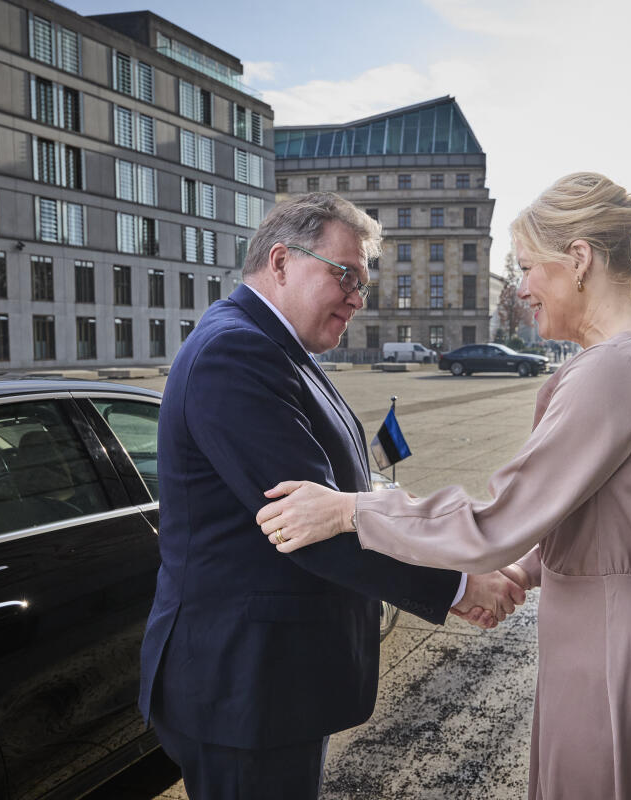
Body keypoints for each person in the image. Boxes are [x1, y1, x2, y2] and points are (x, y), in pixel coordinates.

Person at [256, 174, 631, 800]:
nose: (523, 288)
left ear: (580, 260)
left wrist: (352, 510)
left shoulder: (613, 370)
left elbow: (491, 525)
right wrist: (528, 571)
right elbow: (616, 518)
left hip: (616, 656)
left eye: (529, 267)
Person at [139, 192, 526, 800]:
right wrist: (456, 585)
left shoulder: (281, 345)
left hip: (275, 680)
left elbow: (342, 492)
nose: (356, 298)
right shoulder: (234, 353)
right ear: (281, 261)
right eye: (344, 274)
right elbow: (305, 527)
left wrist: (453, 547)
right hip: (244, 685)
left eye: (364, 286)